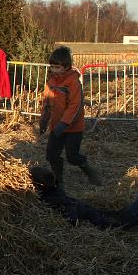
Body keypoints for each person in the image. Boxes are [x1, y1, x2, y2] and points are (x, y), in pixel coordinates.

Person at [39, 45, 101, 187]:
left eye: (57, 67)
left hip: (73, 128)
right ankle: (58, 180)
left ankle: (88, 169)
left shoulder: (73, 82)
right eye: (52, 67)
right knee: (51, 155)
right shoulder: (51, 82)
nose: (54, 70)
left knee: (72, 157)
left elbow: (76, 105)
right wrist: (43, 120)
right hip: (56, 126)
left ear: (66, 67)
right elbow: (47, 103)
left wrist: (65, 123)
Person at [30, 166, 138, 230]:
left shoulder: (53, 198)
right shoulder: (53, 191)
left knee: (122, 223)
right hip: (87, 211)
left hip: (90, 216)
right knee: (117, 215)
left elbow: (71, 215)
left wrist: (71, 222)